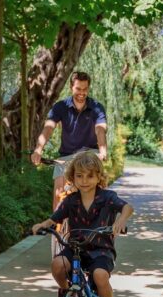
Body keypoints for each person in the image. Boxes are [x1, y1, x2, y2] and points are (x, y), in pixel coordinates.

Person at [32, 151, 133, 297]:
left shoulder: (108, 197)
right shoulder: (70, 200)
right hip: (76, 247)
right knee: (57, 264)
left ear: (98, 177)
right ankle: (64, 291)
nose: (84, 180)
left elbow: (127, 207)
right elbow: (54, 219)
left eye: (90, 175)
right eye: (79, 176)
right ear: (72, 177)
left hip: (101, 248)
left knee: (100, 275)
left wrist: (120, 220)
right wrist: (42, 226)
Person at [31, 71, 108, 210]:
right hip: (66, 156)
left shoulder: (96, 107)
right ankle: (58, 227)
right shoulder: (61, 107)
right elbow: (48, 128)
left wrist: (103, 150)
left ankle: (100, 224)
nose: (82, 93)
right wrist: (38, 149)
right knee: (59, 194)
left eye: (85, 89)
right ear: (71, 87)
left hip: (90, 154)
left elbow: (100, 129)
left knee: (98, 189)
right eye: (78, 88)